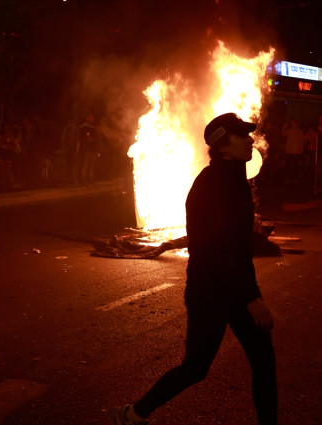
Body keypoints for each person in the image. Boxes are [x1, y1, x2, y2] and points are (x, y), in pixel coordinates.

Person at [112, 113, 277, 425]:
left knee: (264, 362)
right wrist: (251, 297)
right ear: (223, 146)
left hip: (236, 288)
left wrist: (250, 293)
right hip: (210, 291)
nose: (250, 140)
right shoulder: (211, 186)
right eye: (242, 136)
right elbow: (215, 252)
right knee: (196, 368)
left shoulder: (235, 180)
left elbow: (238, 251)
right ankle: (133, 414)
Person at [281, 119, 304, 184]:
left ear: (297, 124)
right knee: (288, 165)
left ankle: (295, 178)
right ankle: (288, 178)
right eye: (292, 123)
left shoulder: (300, 132)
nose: (293, 124)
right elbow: (283, 134)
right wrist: (284, 127)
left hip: (297, 151)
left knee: (295, 166)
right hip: (289, 151)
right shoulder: (289, 131)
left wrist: (301, 150)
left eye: (294, 123)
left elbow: (302, 141)